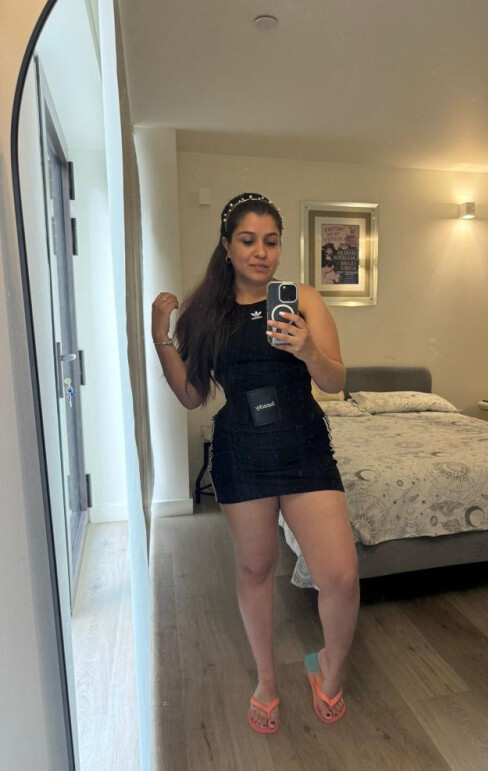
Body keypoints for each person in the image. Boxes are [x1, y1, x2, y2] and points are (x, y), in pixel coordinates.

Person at [151, 193, 360, 734]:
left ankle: (329, 671)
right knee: (256, 569)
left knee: (340, 576)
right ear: (227, 246)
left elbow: (335, 381)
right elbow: (192, 396)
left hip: (304, 447)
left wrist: (308, 350)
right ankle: (267, 680)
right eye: (248, 240)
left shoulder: (302, 299)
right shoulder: (206, 313)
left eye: (270, 241)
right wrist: (160, 339)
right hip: (241, 453)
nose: (260, 252)